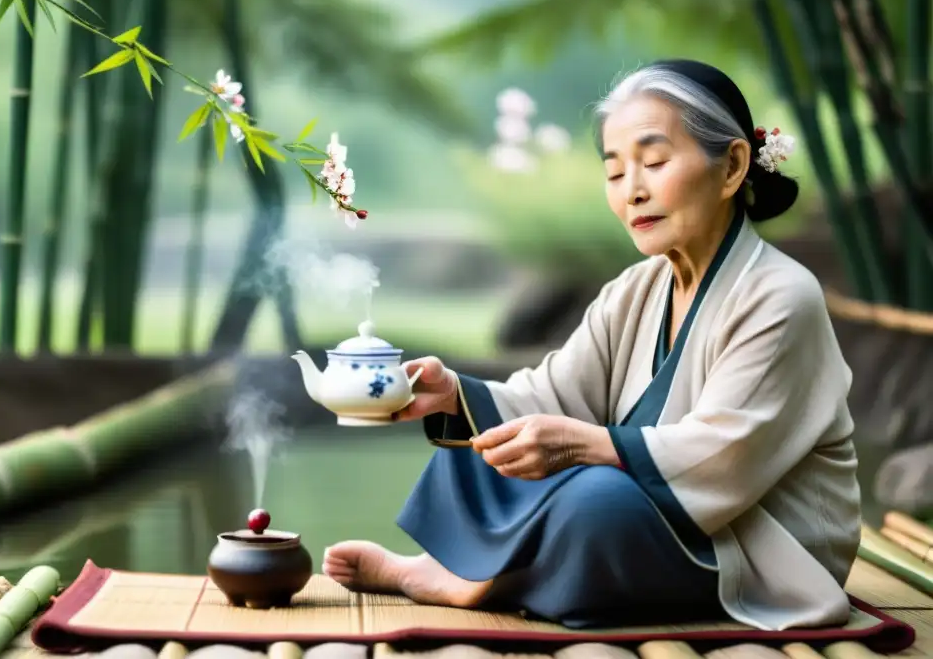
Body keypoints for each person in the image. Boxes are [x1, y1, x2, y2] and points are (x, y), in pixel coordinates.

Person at [322, 59, 863, 631]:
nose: (633, 190)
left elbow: (726, 454)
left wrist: (590, 446)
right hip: (660, 517)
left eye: (654, 162)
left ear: (731, 166)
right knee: (485, 450)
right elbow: (558, 392)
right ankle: (463, 572)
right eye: (614, 173)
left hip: (754, 551)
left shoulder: (781, 295)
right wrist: (456, 395)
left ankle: (469, 580)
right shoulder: (637, 287)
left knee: (596, 504)